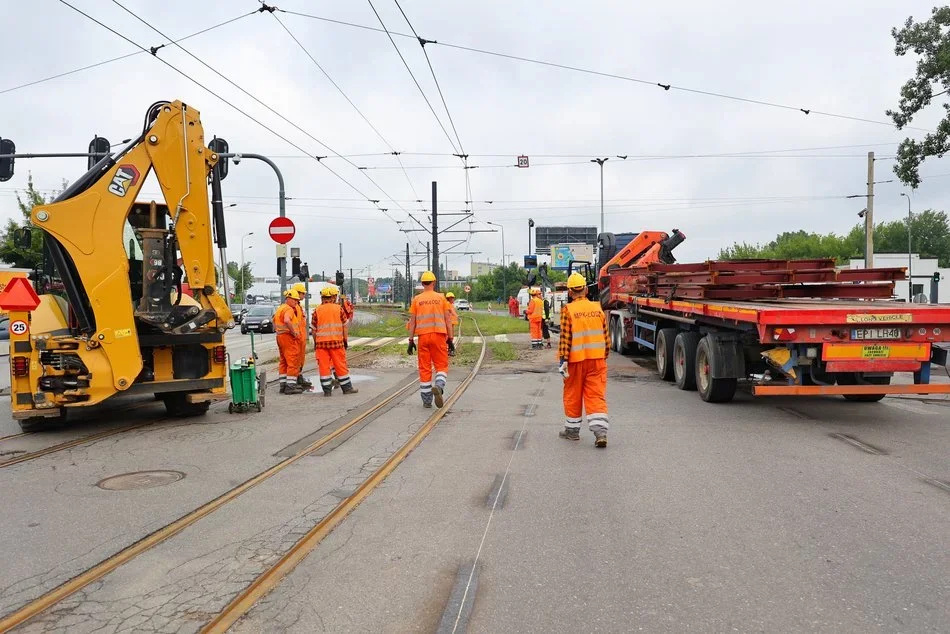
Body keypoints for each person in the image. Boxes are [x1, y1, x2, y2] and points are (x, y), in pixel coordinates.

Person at [558, 272, 610, 447]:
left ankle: (572, 432)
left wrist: (563, 361)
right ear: (586, 290)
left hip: (575, 361)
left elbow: (565, 338)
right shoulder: (597, 308)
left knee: (573, 394)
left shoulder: (568, 310)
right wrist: (604, 356)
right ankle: (600, 433)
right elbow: (605, 336)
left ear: (570, 292)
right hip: (597, 360)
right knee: (595, 395)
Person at [407, 271, 454, 408]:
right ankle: (439, 386)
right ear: (434, 283)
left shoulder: (416, 300)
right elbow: (448, 320)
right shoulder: (441, 299)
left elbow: (412, 321)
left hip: (423, 337)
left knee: (424, 368)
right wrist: (450, 339)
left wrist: (410, 340)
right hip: (438, 336)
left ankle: (427, 401)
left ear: (422, 284)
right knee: (441, 366)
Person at [312, 285, 358, 396]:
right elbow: (344, 326)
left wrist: (315, 343)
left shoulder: (316, 311)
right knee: (340, 365)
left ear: (322, 298)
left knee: (324, 367)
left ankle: (327, 391)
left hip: (321, 345)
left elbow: (314, 330)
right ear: (333, 297)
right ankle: (347, 389)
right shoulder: (339, 309)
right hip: (337, 343)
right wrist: (345, 340)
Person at [274, 289, 304, 394]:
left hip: (280, 337)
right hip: (288, 337)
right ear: (289, 299)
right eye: (295, 300)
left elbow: (274, 321)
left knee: (283, 361)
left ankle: (283, 385)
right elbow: (287, 320)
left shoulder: (280, 308)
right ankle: (291, 386)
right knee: (293, 361)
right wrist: (294, 332)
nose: (296, 302)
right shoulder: (289, 309)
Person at [292, 282, 313, 390]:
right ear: (297, 293)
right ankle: (294, 381)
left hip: (301, 338)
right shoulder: (294, 307)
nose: (304, 296)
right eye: (303, 294)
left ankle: (298, 377)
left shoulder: (298, 306)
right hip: (297, 338)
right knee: (295, 360)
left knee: (300, 360)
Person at [445, 291, 460, 357]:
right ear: (449, 298)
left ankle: (449, 349)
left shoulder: (450, 304)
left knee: (450, 337)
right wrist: (457, 316)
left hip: (451, 323)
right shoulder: (448, 304)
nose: (453, 299)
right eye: (452, 298)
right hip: (449, 323)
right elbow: (452, 311)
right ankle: (449, 349)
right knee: (449, 337)